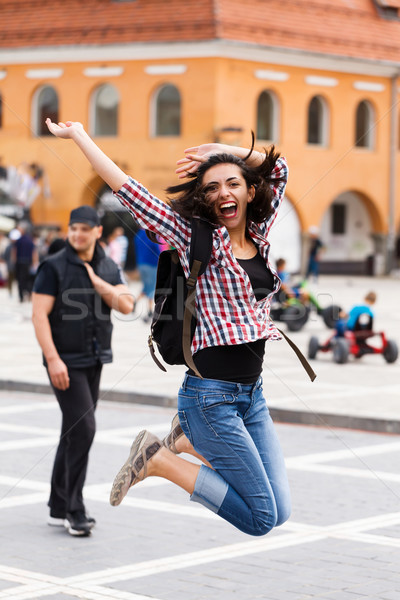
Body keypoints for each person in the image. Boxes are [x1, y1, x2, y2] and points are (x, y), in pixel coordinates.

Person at [45, 118, 291, 537]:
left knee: (280, 511)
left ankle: (185, 442)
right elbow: (128, 189)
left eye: (232, 183)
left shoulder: (259, 234)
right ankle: (158, 458)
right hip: (210, 397)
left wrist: (220, 150)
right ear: (204, 200)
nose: (223, 193)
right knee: (261, 518)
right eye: (211, 188)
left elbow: (279, 167)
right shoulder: (195, 237)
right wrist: (80, 136)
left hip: (253, 396)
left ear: (250, 192)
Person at [32, 205, 134, 537]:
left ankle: (57, 506)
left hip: (94, 359)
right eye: (72, 228)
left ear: (97, 231)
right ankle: (74, 509)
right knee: (85, 428)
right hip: (64, 362)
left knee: (72, 431)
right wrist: (53, 359)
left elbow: (126, 304)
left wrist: (96, 281)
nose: (76, 234)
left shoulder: (107, 265)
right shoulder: (53, 266)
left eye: (83, 229)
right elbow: (39, 315)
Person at [133, 226, 162, 322]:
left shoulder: (138, 235)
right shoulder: (150, 234)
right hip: (152, 264)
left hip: (141, 264)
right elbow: (156, 248)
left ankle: (134, 302)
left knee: (146, 287)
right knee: (152, 287)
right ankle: (149, 312)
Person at [14, 221, 38, 302]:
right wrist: (35, 262)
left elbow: (15, 251)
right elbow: (34, 252)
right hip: (28, 262)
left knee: (21, 279)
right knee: (28, 279)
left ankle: (21, 296)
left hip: (20, 262)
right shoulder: (30, 240)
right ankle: (28, 293)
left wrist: (14, 261)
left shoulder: (19, 240)